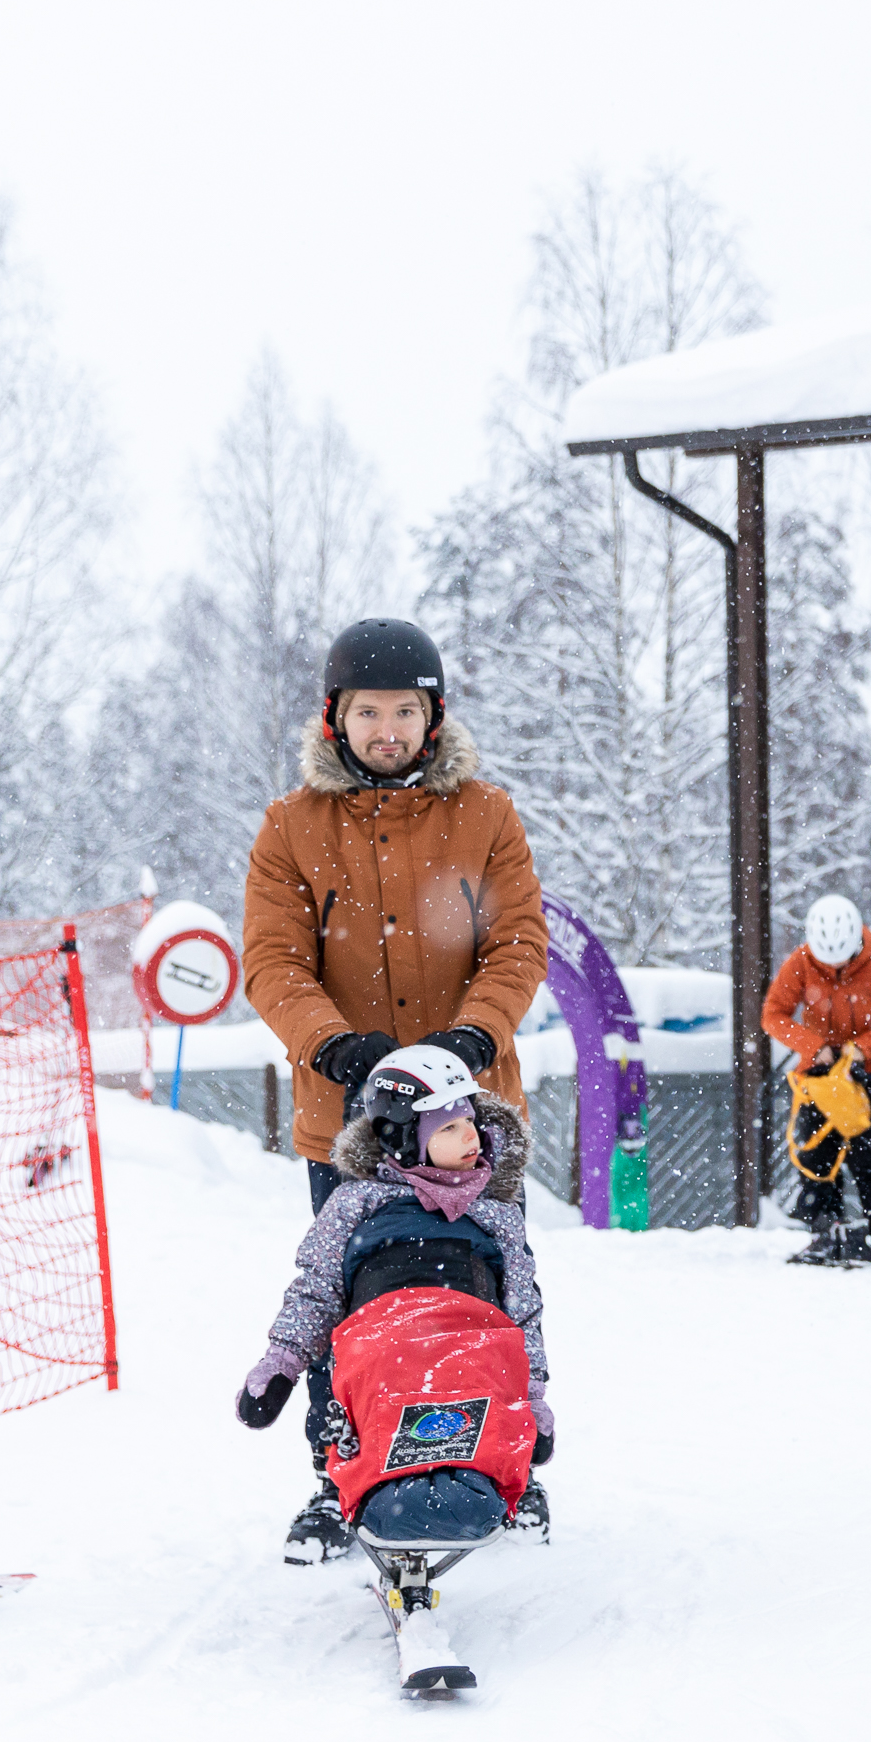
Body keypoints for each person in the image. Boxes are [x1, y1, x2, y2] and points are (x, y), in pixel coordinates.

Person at [243, 618, 547, 1563]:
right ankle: (341, 1479)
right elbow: (272, 959)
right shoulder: (291, 828)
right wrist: (334, 1046)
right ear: (336, 719)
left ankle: (506, 1462)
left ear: (433, 715)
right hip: (351, 1130)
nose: (386, 729)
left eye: (403, 711)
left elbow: (518, 943)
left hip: (470, 1124)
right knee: (347, 1299)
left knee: (487, 1296)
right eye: (367, 711)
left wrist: (474, 1030)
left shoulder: (486, 816)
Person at [234, 1045, 552, 1561]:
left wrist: (533, 1401)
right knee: (362, 1373)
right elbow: (315, 1292)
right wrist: (281, 1365)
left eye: (470, 1121)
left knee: (483, 1367)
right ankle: (348, 1483)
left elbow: (523, 1316)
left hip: (468, 1342)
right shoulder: (355, 1204)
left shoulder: (495, 1212)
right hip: (383, 1345)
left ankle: (496, 1471)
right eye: (448, 1129)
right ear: (406, 1141)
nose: (470, 1137)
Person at [762, 892, 871, 1268]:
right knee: (816, 1152)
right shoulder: (799, 963)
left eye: (842, 960)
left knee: (867, 1152)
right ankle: (822, 1231)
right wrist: (815, 1047)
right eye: (824, 962)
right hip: (818, 1077)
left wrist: (863, 1048)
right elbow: (774, 1015)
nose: (833, 967)